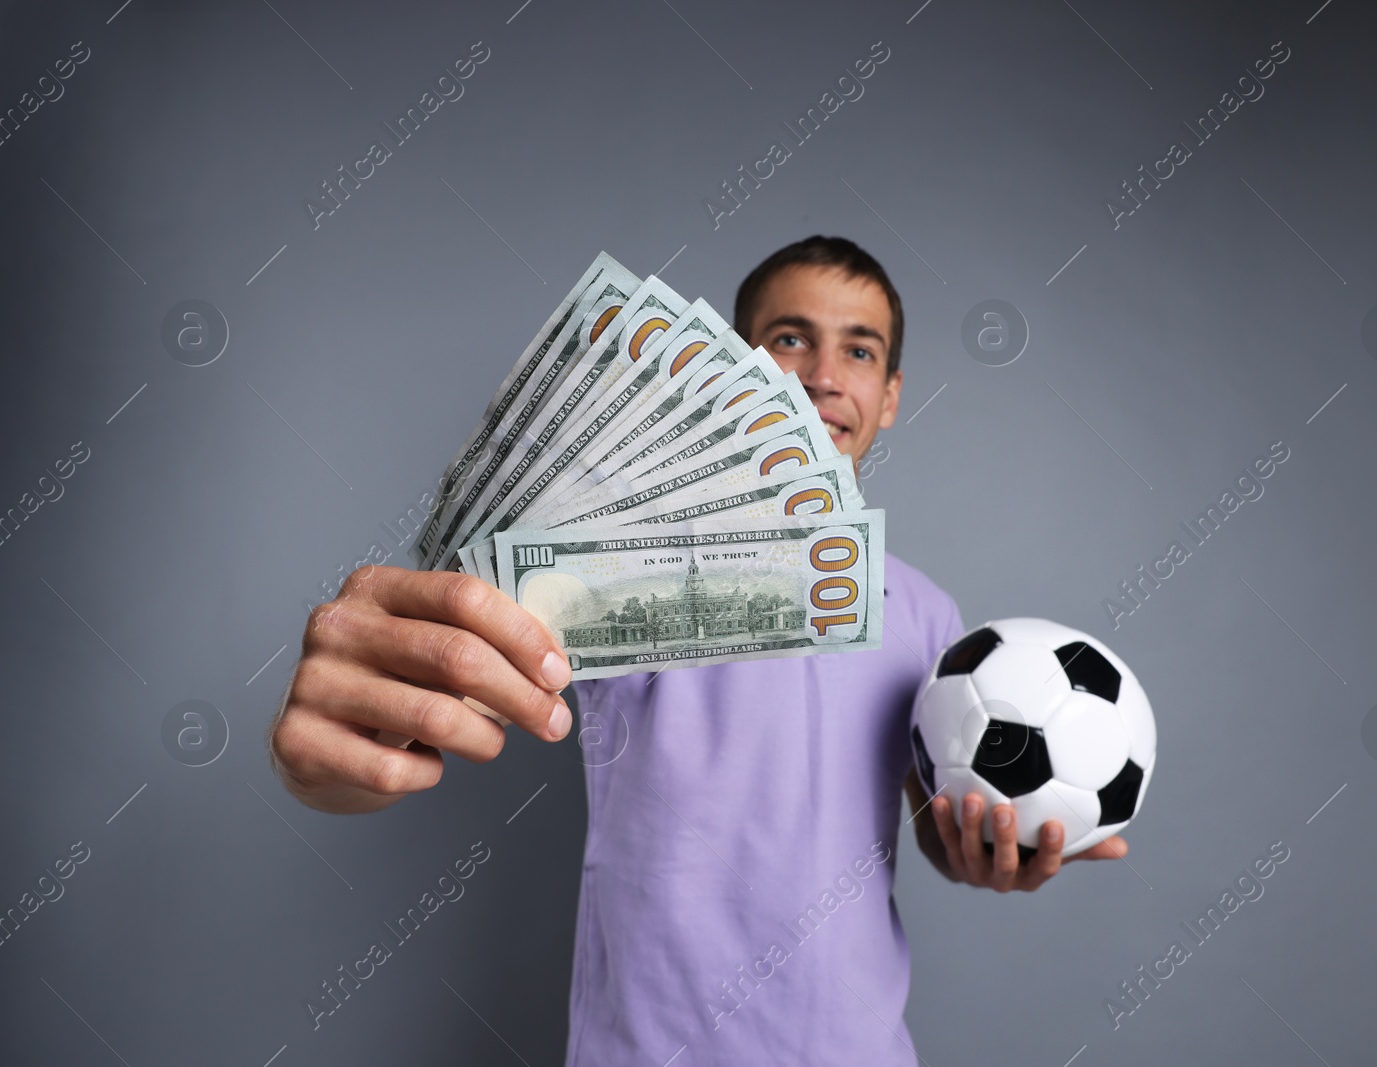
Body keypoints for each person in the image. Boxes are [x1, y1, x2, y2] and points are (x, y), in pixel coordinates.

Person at [269, 235, 1127, 1064]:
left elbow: (934, 819)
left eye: (859, 352)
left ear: (893, 393)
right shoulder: (610, 564)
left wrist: (987, 854)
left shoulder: (930, 613)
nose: (825, 377)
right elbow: (424, 720)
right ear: (735, 371)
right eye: (790, 340)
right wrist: (331, 763)